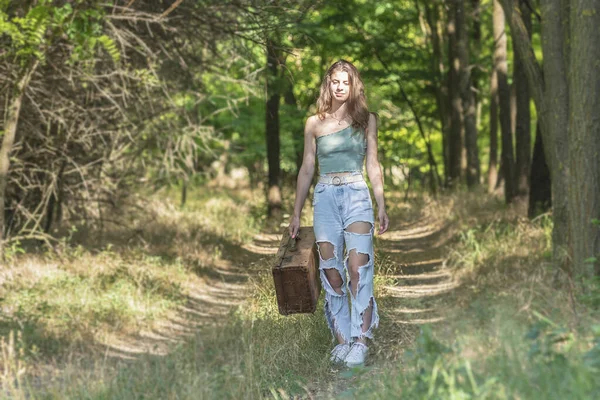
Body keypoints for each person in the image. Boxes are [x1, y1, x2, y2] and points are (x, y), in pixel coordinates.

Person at [288, 60, 389, 367]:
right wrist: (295, 213)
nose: (341, 86)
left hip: (357, 194)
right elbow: (307, 168)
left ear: (353, 85)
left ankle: (361, 339)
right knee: (331, 271)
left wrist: (381, 202)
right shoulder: (314, 123)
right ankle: (343, 339)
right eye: (335, 81)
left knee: (359, 267)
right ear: (328, 85)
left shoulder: (366, 120)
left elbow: (373, 163)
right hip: (326, 198)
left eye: (346, 81)